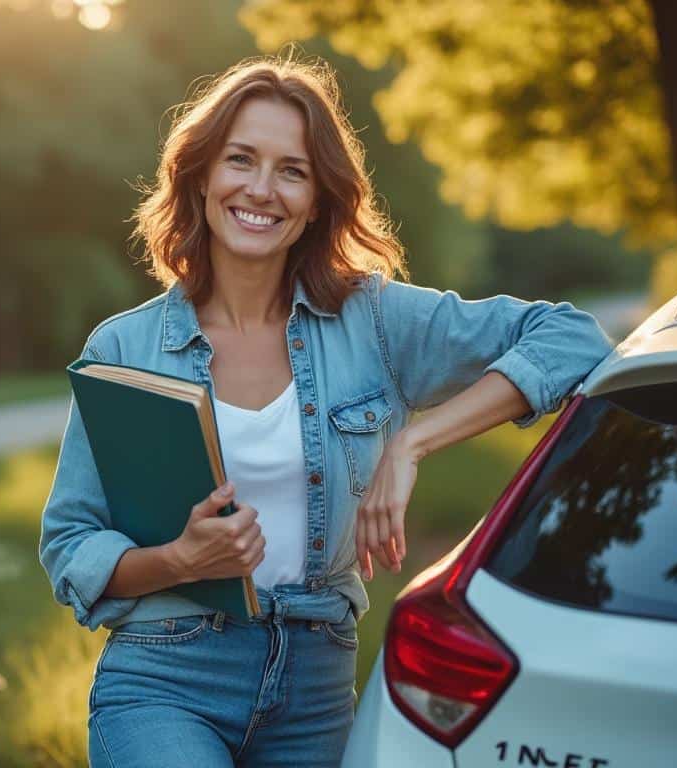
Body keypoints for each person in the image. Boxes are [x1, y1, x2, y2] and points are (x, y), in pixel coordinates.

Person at [38, 54, 612, 768]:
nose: (261, 189)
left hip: (315, 681)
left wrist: (412, 444)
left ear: (317, 199)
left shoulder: (371, 320)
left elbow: (571, 338)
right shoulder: (125, 346)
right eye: (241, 160)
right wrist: (178, 560)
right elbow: (71, 543)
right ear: (202, 176)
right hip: (166, 675)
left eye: (292, 170)